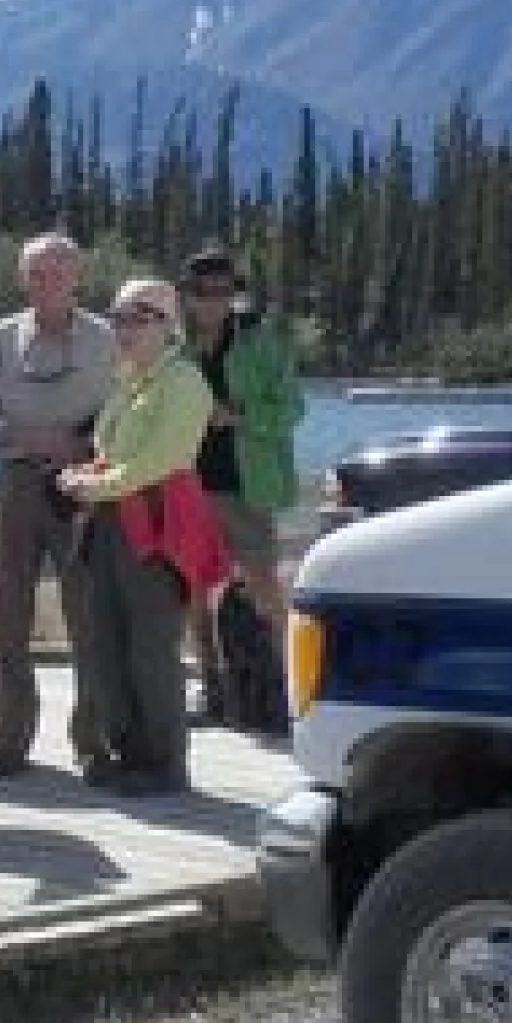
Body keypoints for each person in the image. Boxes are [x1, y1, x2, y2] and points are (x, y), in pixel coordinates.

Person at [0, 232, 117, 780]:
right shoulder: (0, 337)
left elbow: (127, 410)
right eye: (35, 274)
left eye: (57, 273)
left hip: (87, 486)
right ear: (22, 279)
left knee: (90, 617)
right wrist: (28, 438)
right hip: (17, 482)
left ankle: (96, 743)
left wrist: (85, 444)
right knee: (5, 616)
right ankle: (7, 740)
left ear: (78, 278)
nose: (46, 283)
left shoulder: (107, 337)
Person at [55, 277, 219, 798]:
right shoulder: (128, 382)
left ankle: (166, 762)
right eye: (119, 317)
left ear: (168, 326)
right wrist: (86, 475)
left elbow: (162, 460)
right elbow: (116, 452)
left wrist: (92, 483)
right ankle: (127, 753)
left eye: (137, 318)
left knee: (151, 646)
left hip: (156, 525)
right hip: (110, 522)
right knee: (106, 641)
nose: (123, 329)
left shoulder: (186, 383)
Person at [178, 245, 303, 720]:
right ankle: (211, 689)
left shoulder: (261, 342)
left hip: (245, 486)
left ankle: (291, 687)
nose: (212, 300)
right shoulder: (175, 345)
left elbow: (293, 409)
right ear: (188, 296)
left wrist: (239, 416)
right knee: (192, 590)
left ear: (234, 294)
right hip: (188, 484)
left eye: (223, 291)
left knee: (266, 589)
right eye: (202, 292)